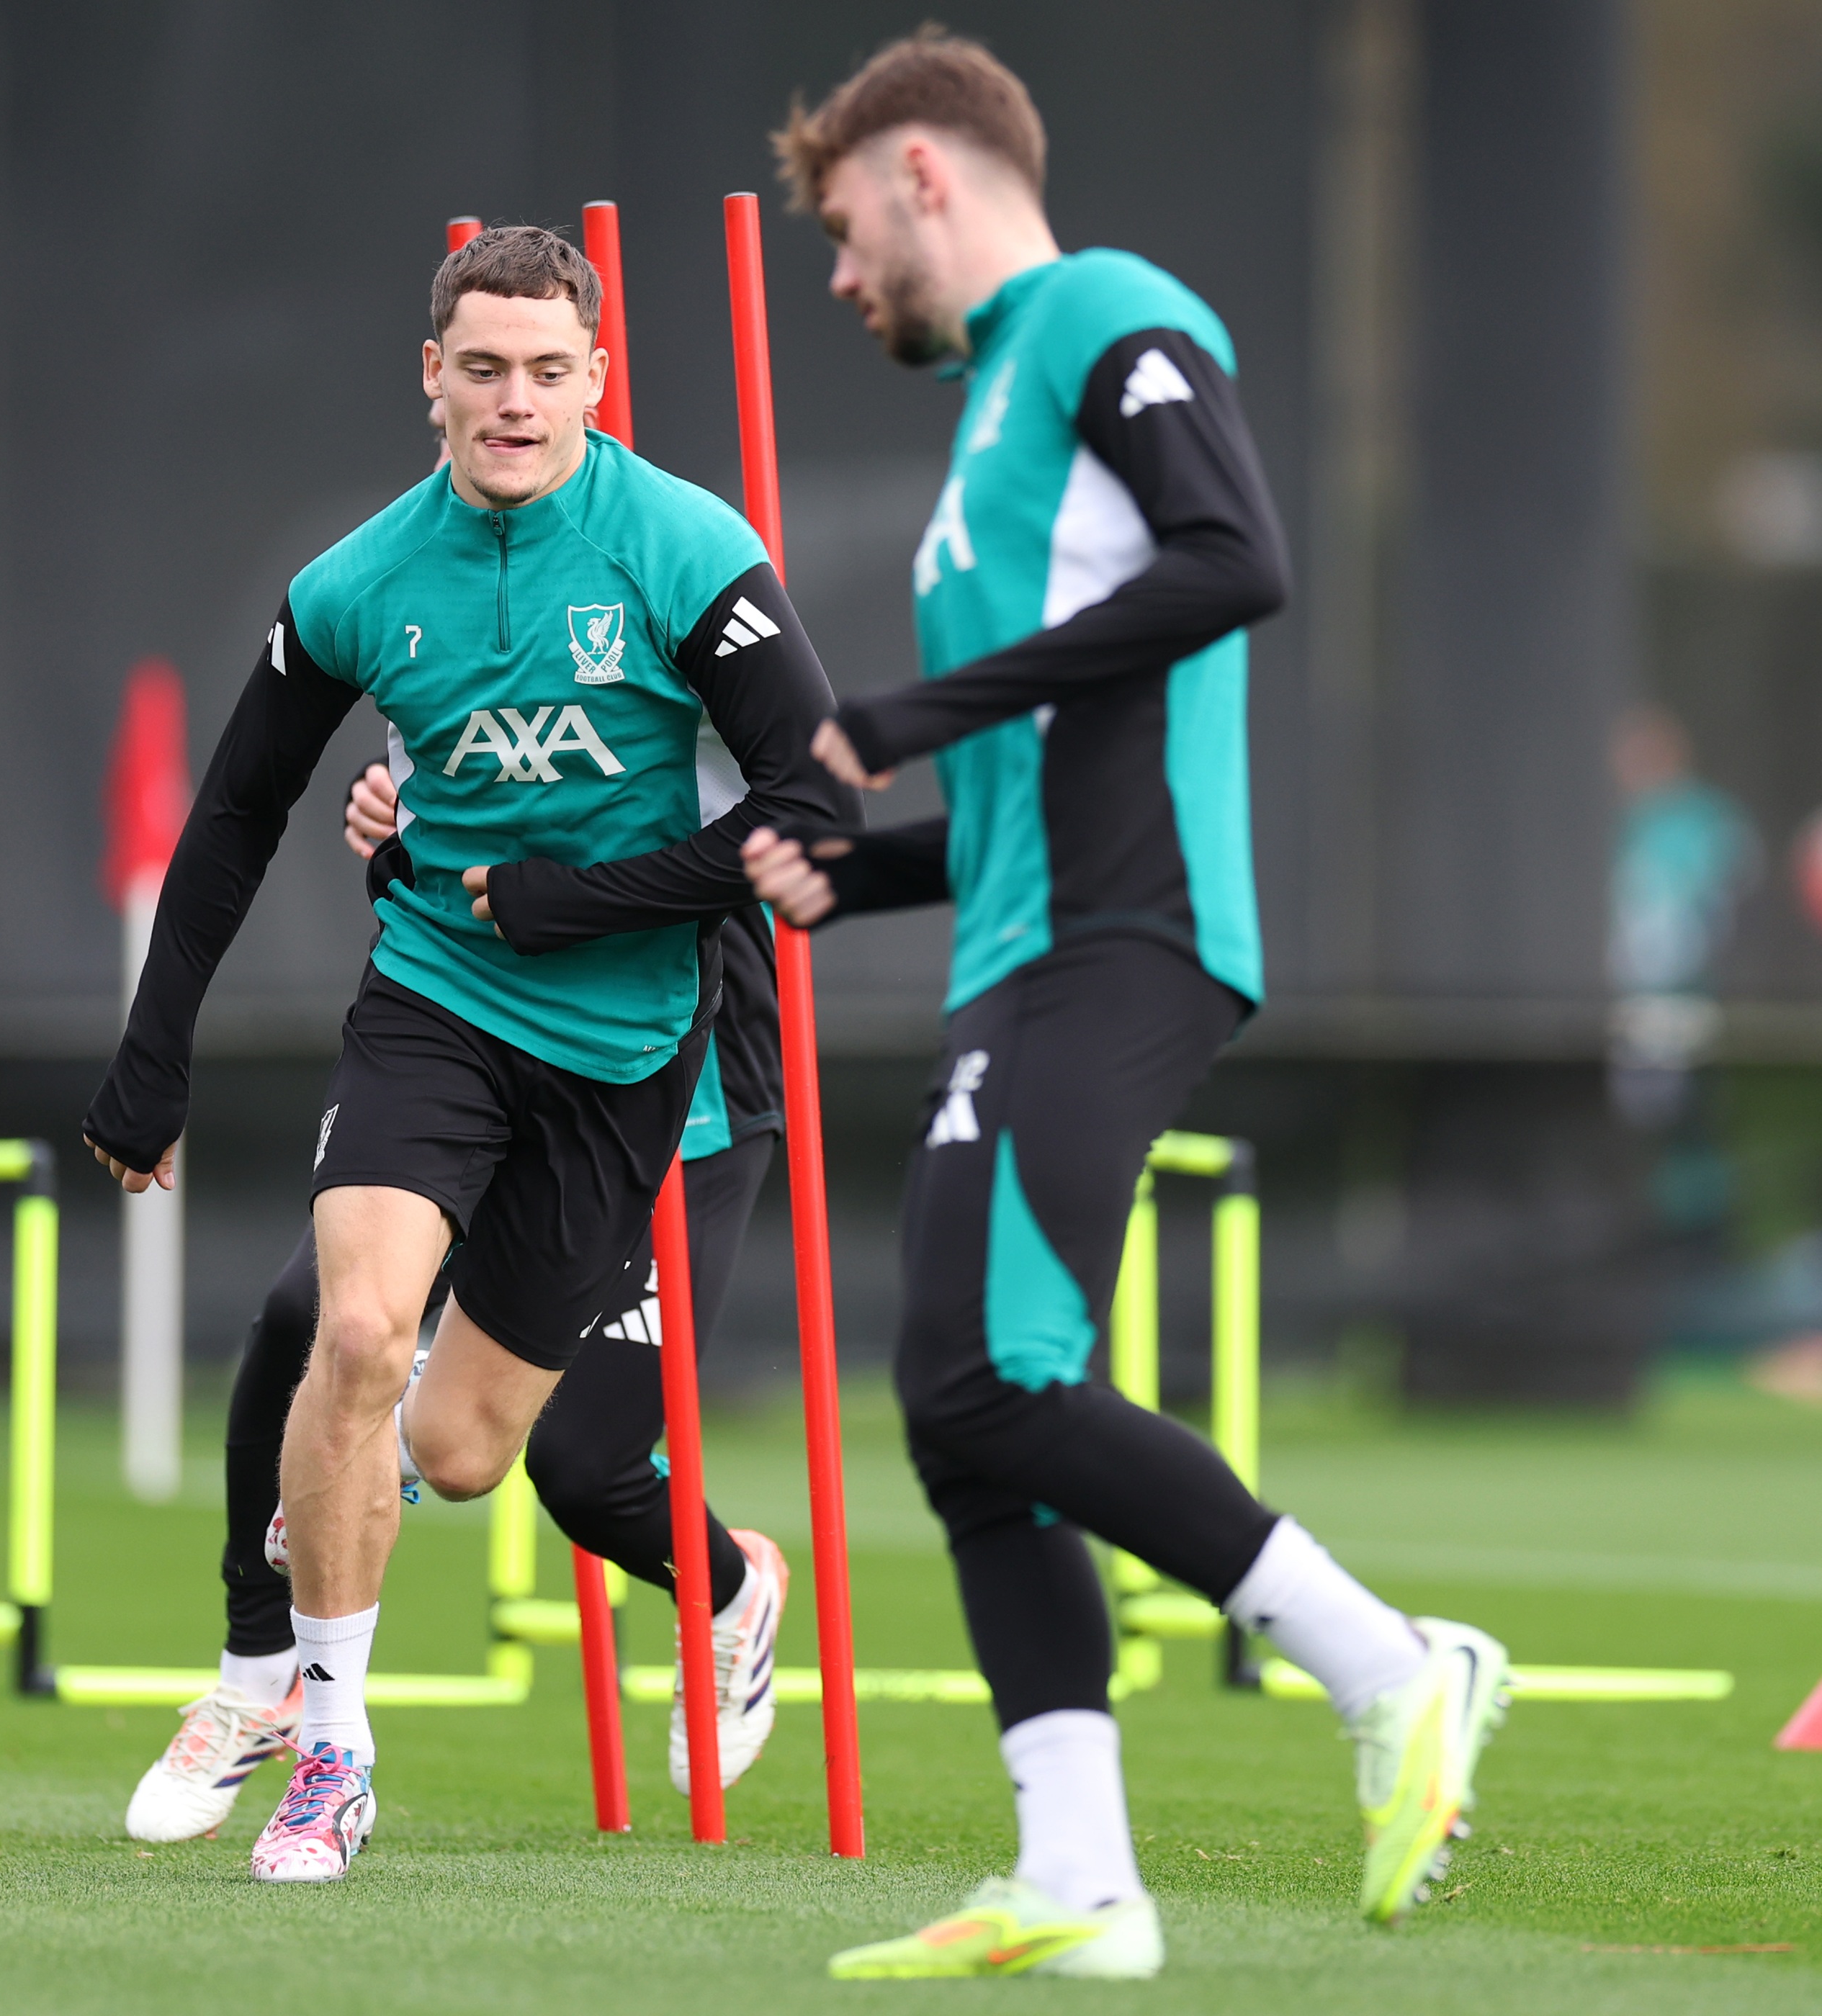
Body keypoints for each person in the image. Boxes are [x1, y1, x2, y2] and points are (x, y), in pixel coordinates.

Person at [737, 32, 1509, 1976]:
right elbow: (1037, 774)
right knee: (957, 1402)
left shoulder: (1102, 312)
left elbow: (1237, 558)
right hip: (1029, 942)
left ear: (926, 171)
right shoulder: (994, 404)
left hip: (1125, 940)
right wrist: (855, 868)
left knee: (996, 1371)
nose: (839, 276)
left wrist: (906, 716)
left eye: (846, 227)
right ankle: (1079, 1879)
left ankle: (1392, 1666)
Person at [84, 222, 854, 1884]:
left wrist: (581, 900)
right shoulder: (359, 580)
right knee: (346, 1327)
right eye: (485, 368)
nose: (516, 402)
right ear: (430, 376)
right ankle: (318, 1734)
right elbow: (237, 808)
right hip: (435, 1000)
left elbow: (822, 808)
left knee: (473, 1451)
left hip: (636, 1044)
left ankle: (731, 1588)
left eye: (549, 372)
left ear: (597, 380)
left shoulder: (681, 546)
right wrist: (154, 1052)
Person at [121, 757, 796, 1844]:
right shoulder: (470, 687)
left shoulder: (690, 723)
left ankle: (730, 1590)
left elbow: (770, 813)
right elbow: (436, 848)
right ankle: (260, 1676)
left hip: (682, 1118)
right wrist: (402, 801)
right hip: (490, 1071)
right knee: (309, 1319)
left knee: (581, 1467)